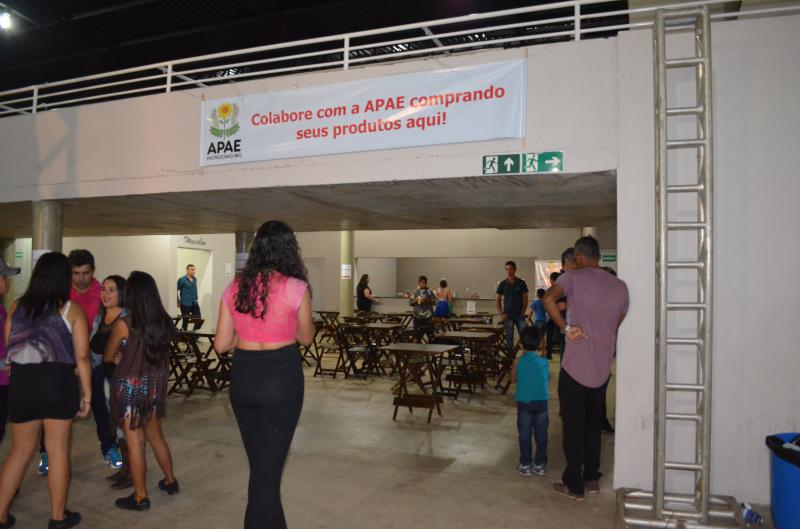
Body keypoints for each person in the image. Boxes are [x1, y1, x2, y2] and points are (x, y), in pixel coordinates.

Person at [214, 220, 314, 529]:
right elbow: (306, 338)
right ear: (289, 249)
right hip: (280, 378)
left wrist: (247, 334)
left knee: (261, 468)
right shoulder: (296, 288)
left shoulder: (235, 288)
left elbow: (221, 344)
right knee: (266, 475)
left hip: (244, 378)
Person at [0, 252, 92, 529]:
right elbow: (82, 357)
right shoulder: (71, 310)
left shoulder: (17, 307)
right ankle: (57, 516)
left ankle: (0, 515)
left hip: (23, 385)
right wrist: (87, 394)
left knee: (19, 451)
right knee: (57, 450)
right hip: (58, 384)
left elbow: (10, 350)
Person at [543, 236, 628, 501]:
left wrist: (566, 328)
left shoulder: (572, 278)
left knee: (573, 426)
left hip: (575, 369)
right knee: (593, 424)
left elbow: (548, 299)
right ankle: (591, 478)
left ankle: (574, 485)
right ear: (598, 255)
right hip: (602, 369)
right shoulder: (620, 286)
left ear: (579, 256)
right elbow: (618, 320)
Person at [105, 271, 178, 511]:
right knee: (156, 437)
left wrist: (119, 355)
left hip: (130, 389)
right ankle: (170, 481)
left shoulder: (124, 324)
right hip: (153, 388)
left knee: (135, 443)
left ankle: (140, 497)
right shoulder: (164, 322)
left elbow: (108, 355)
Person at [68, 250, 121, 469]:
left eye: (86, 273)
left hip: (95, 359)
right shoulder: (61, 292)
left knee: (100, 405)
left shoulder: (102, 293)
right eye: (76, 273)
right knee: (58, 406)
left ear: (93, 271)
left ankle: (109, 447)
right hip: (65, 357)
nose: (81, 278)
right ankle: (46, 451)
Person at [89, 275, 131, 488]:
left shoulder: (127, 317)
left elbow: (136, 348)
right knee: (112, 425)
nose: (105, 294)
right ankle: (125, 468)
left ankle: (131, 471)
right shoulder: (100, 317)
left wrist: (123, 355)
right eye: (103, 289)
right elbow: (93, 347)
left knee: (125, 428)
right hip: (101, 377)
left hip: (120, 380)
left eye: (111, 290)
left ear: (121, 293)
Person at [512, 326, 549, 477]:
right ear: (540, 343)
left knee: (524, 435)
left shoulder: (517, 361)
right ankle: (540, 464)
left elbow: (513, 379)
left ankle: (526, 464)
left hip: (524, 403)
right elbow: (546, 378)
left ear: (521, 344)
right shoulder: (544, 362)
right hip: (541, 403)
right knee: (541, 435)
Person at [0, 260, 21, 445]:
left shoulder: (2, 310)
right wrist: (5, 364)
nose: (8, 281)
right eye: (5, 276)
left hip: (4, 381)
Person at [495, 261, 528, 358]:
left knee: (524, 336)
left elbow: (525, 299)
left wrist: (523, 312)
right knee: (509, 337)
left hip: (519, 315)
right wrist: (501, 314)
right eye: (507, 269)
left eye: (511, 269)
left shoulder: (521, 283)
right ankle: (510, 358)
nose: (509, 271)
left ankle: (526, 356)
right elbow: (497, 300)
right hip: (507, 315)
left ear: (515, 269)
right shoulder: (502, 284)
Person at [409, 276, 436, 340]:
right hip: (417, 317)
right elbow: (410, 303)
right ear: (419, 283)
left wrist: (428, 300)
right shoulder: (415, 291)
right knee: (416, 337)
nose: (424, 284)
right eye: (422, 283)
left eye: (425, 283)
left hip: (428, 317)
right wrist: (416, 300)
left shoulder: (429, 291)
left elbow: (435, 302)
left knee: (431, 337)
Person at [177, 264, 200, 331]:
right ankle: (184, 335)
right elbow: (174, 289)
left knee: (198, 319)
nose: (194, 271)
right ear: (187, 270)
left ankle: (194, 335)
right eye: (192, 270)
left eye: (194, 270)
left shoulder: (195, 279)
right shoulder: (182, 280)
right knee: (185, 321)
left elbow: (195, 290)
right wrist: (178, 301)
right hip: (185, 303)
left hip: (194, 302)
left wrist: (196, 299)